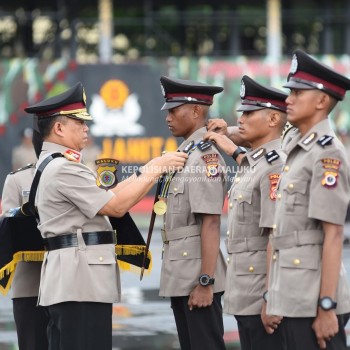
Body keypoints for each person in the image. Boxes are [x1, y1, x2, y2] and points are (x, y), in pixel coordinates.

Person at [24, 82, 187, 350]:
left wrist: (148, 168)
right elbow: (115, 207)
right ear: (59, 128)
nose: (87, 128)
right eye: (79, 122)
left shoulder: (57, 164)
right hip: (79, 284)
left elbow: (107, 198)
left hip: (73, 282)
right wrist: (157, 167)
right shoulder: (65, 168)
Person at [267, 49, 350, 350]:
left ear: (321, 100)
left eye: (298, 92)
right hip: (292, 294)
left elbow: (333, 233)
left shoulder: (327, 152)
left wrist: (327, 306)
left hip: (314, 299)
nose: (288, 98)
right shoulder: (298, 145)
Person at [205, 75, 287, 350]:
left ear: (274, 119)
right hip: (246, 292)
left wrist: (270, 297)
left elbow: (276, 238)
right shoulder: (255, 161)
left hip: (261, 294)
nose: (240, 118)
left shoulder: (274, 166)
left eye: (249, 113)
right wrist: (226, 133)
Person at [158, 76, 227, 350]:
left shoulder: (204, 158)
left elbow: (210, 222)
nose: (168, 117)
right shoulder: (186, 153)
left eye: (174, 110)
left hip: (197, 275)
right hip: (182, 271)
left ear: (197, 111)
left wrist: (205, 282)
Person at [1, 130, 49, 350]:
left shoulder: (81, 174)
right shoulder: (18, 179)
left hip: (72, 285)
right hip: (31, 285)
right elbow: (8, 225)